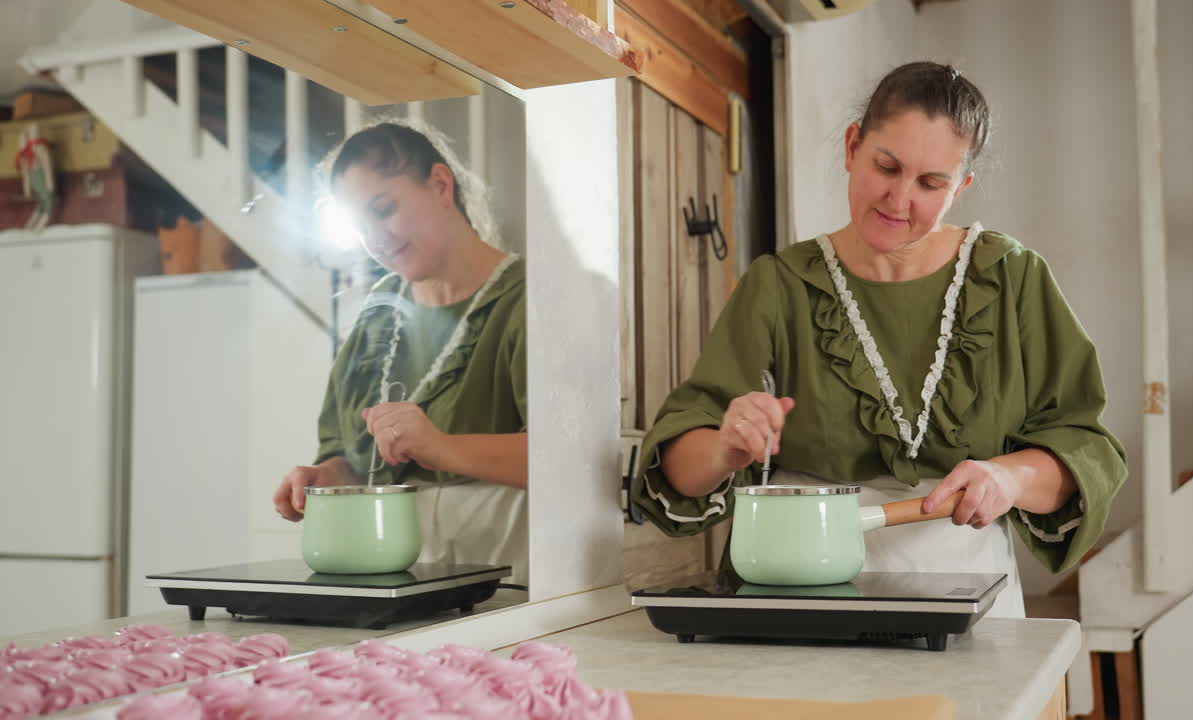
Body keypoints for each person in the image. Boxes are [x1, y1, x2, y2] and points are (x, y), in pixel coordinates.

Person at [629, 62, 1126, 617]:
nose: (899, 198)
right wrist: (726, 444)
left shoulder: (1013, 278)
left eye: (931, 183)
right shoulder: (779, 284)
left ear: (960, 188)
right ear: (851, 147)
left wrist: (1009, 476)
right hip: (797, 590)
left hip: (969, 596)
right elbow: (678, 471)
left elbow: (1087, 449)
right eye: (886, 166)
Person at [273, 122, 529, 584]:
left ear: (439, 185)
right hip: (402, 584)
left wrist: (444, 448)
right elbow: (353, 461)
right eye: (359, 226)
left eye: (384, 209)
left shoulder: (529, 300)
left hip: (517, 581)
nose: (377, 238)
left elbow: (573, 461)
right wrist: (326, 479)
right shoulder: (375, 321)